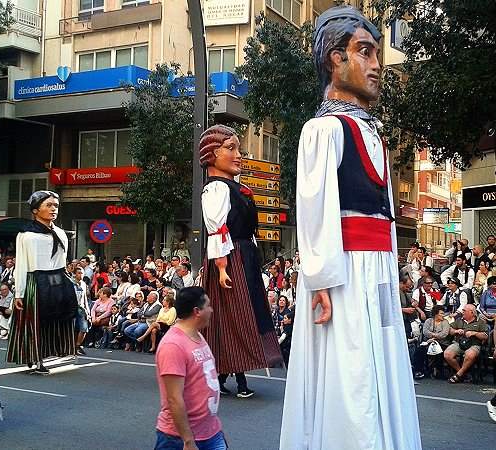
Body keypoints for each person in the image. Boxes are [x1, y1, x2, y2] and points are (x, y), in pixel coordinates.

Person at [280, 6, 421, 449]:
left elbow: (385, 218)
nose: (376, 65)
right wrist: (320, 279)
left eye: (376, 53)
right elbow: (315, 208)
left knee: (380, 367)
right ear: (334, 59)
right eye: (365, 51)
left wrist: (392, 275)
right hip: (342, 275)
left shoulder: (372, 132)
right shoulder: (323, 130)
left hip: (375, 271)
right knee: (350, 373)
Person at [199, 124, 282, 399]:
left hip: (243, 255)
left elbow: (247, 229)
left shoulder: (237, 188)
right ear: (212, 153)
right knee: (233, 315)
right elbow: (217, 229)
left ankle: (224, 373)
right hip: (229, 256)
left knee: (240, 314)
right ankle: (233, 374)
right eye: (230, 148)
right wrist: (222, 267)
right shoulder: (216, 190)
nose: (238, 155)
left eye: (239, 149)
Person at [7, 191, 76, 375]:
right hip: (35, 281)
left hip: (57, 279)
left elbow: (63, 261)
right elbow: (21, 264)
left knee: (57, 318)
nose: (54, 209)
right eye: (49, 205)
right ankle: (36, 359)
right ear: (36, 210)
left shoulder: (61, 233)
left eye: (56, 206)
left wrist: (66, 284)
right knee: (36, 321)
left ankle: (51, 353)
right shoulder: (26, 235)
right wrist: (19, 292)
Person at [154, 286, 226, 450]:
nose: (211, 310)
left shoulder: (197, 335)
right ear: (197, 311)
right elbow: (174, 398)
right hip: (179, 438)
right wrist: (188, 441)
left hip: (211, 433)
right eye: (208, 306)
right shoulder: (173, 345)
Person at [444, 304, 489, 383]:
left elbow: (485, 336)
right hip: (459, 343)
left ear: (471, 312)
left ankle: (458, 375)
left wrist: (474, 333)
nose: (462, 312)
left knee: (470, 354)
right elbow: (449, 329)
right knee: (447, 354)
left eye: (464, 311)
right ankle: (462, 374)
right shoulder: (459, 320)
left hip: (474, 344)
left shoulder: (480, 322)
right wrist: (456, 331)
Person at [412, 306, 450, 379]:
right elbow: (425, 331)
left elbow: (444, 334)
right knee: (419, 350)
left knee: (440, 352)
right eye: (441, 313)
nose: (443, 315)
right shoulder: (428, 321)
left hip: (442, 343)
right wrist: (433, 337)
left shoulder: (445, 322)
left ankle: (438, 371)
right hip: (428, 342)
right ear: (436, 314)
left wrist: (433, 337)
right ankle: (418, 371)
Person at [72, 267, 91, 356]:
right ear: (75, 274)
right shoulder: (71, 283)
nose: (81, 275)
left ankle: (78, 345)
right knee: (73, 328)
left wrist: (87, 310)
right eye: (79, 273)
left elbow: (85, 299)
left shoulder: (83, 284)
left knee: (84, 328)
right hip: (72, 308)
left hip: (81, 308)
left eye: (82, 273)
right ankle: (71, 346)